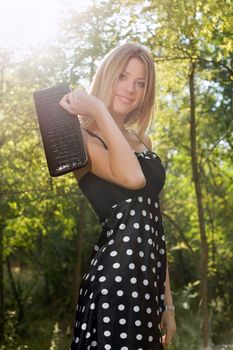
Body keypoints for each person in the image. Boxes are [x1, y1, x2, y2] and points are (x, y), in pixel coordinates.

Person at [59, 42, 176, 350]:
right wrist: (97, 108)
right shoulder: (81, 140)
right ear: (107, 74)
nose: (131, 89)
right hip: (116, 281)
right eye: (123, 76)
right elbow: (133, 178)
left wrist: (168, 303)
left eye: (140, 83)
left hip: (148, 286)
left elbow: (154, 224)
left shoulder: (142, 139)